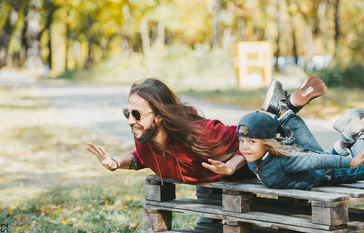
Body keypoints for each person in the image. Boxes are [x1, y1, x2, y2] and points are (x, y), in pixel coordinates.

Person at [87, 77, 326, 183]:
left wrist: (231, 166)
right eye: (127, 113)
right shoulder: (145, 140)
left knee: (322, 168)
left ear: (159, 117)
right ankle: (279, 108)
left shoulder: (201, 134)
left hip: (264, 160)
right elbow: (143, 159)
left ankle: (282, 111)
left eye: (137, 114)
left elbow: (249, 140)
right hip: (231, 177)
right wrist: (116, 163)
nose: (130, 121)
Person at [210, 78, 364, 190]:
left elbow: (316, 160)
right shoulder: (254, 158)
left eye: (252, 142)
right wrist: (229, 167)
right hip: (309, 159)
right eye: (242, 141)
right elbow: (248, 149)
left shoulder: (285, 162)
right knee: (268, 130)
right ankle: (284, 108)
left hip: (325, 174)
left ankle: (355, 132)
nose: (245, 147)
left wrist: (350, 161)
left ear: (267, 143)